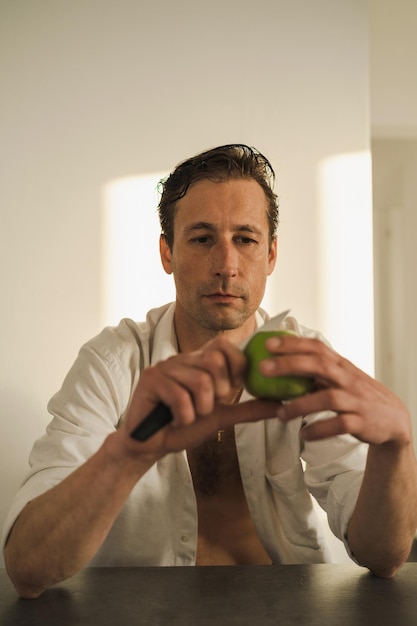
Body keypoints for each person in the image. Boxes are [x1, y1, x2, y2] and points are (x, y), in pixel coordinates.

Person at [3, 144, 417, 598]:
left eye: (245, 238)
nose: (226, 266)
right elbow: (27, 567)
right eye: (202, 239)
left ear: (271, 255)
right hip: (147, 612)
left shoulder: (307, 361)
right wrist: (126, 456)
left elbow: (383, 556)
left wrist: (396, 448)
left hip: (289, 608)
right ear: (168, 253)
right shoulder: (112, 363)